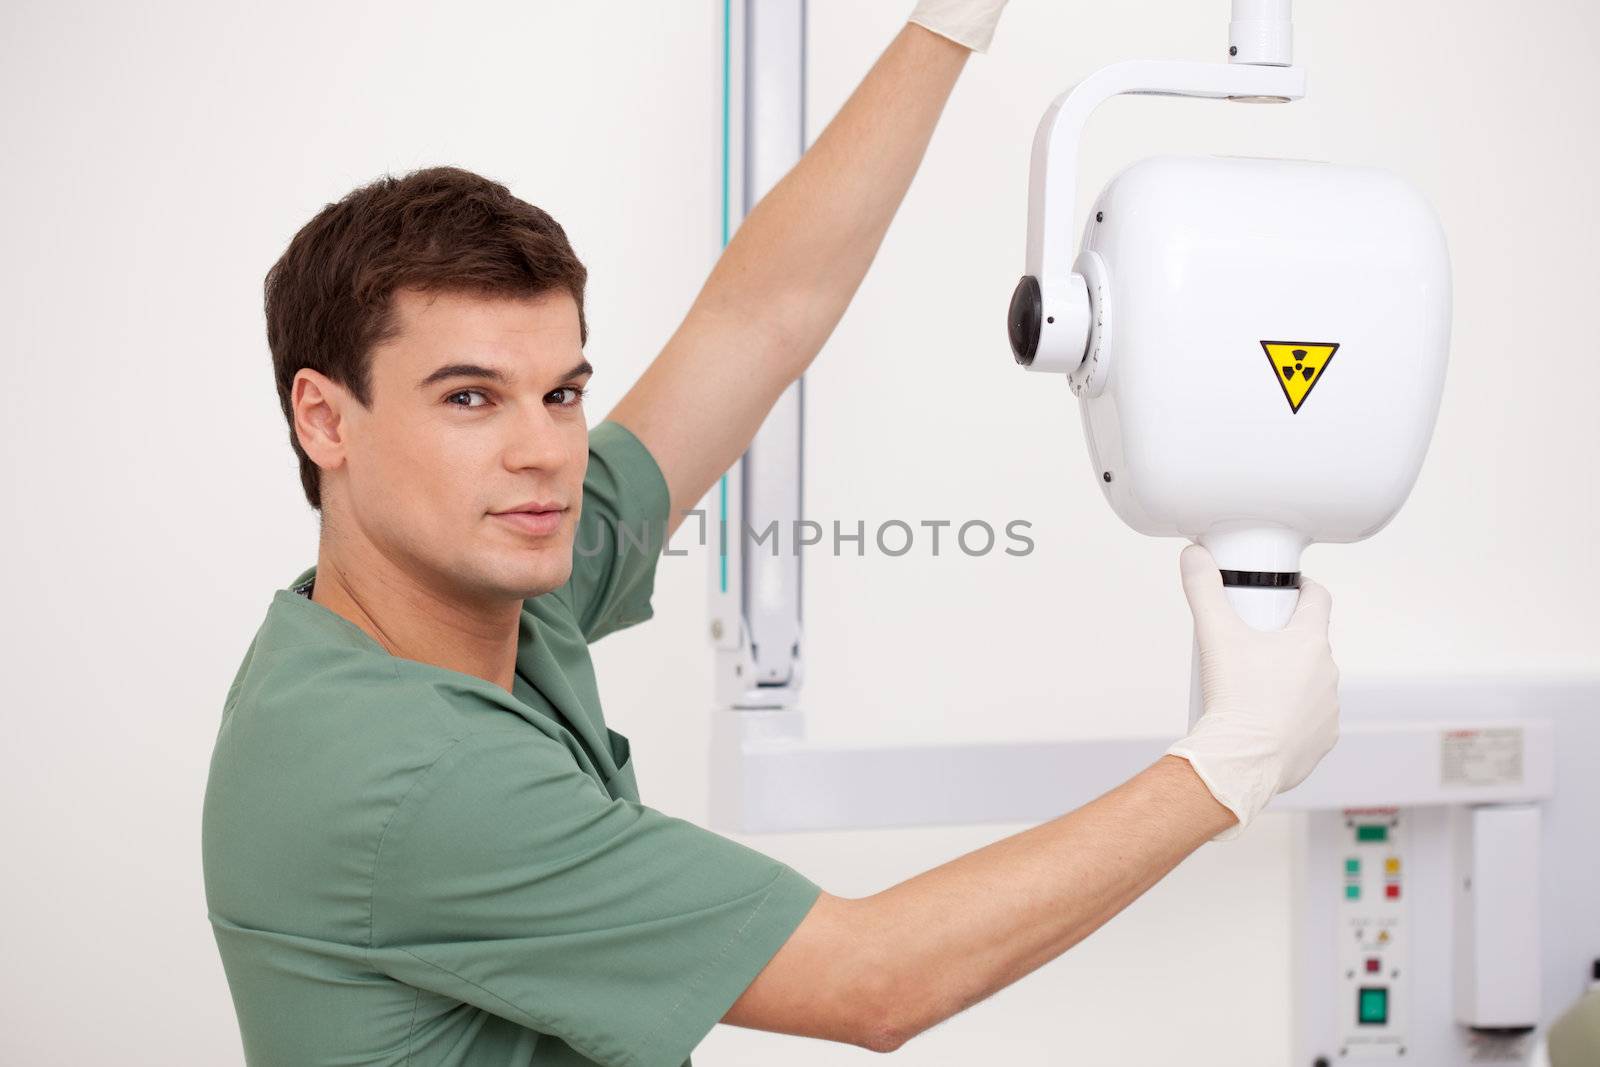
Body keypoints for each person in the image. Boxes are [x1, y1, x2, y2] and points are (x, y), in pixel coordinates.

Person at [202, 3, 1340, 1064]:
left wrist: (948, 20)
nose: (543, 450)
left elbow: (762, 315)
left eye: (560, 392)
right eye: (468, 398)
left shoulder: (467, 586)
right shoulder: (408, 780)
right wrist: (1226, 762)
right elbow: (876, 979)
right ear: (324, 416)